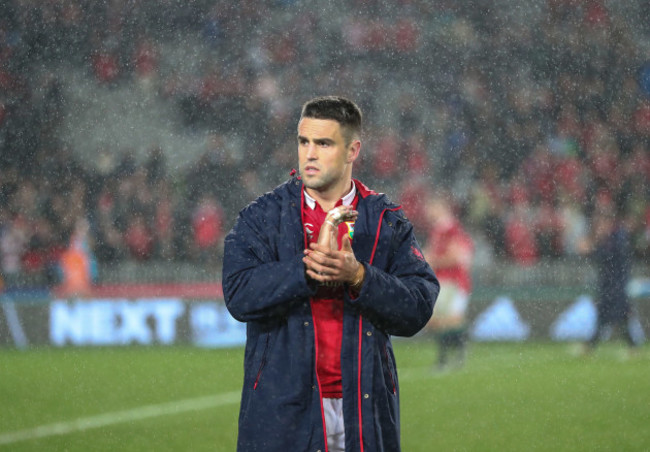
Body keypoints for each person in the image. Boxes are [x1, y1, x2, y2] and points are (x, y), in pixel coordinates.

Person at [222, 96, 439, 452]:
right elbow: (238, 294)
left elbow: (418, 306)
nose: (309, 153)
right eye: (303, 141)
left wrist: (359, 277)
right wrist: (307, 271)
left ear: (353, 150)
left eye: (323, 143)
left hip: (364, 409)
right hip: (283, 412)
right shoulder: (261, 217)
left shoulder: (386, 220)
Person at [578, 207, 643, 353]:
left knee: (611, 315)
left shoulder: (617, 238)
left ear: (608, 223)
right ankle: (632, 346)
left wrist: (590, 249)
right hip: (612, 284)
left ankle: (591, 346)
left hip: (615, 284)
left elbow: (607, 258)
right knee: (615, 315)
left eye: (601, 223)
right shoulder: (614, 238)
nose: (599, 227)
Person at [423, 194, 474, 371]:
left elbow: (455, 257)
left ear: (441, 207)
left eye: (432, 207)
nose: (428, 211)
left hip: (451, 281)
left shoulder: (450, 228)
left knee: (444, 319)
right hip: (442, 280)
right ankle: (458, 352)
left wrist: (432, 261)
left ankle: (446, 359)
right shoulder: (439, 229)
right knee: (442, 320)